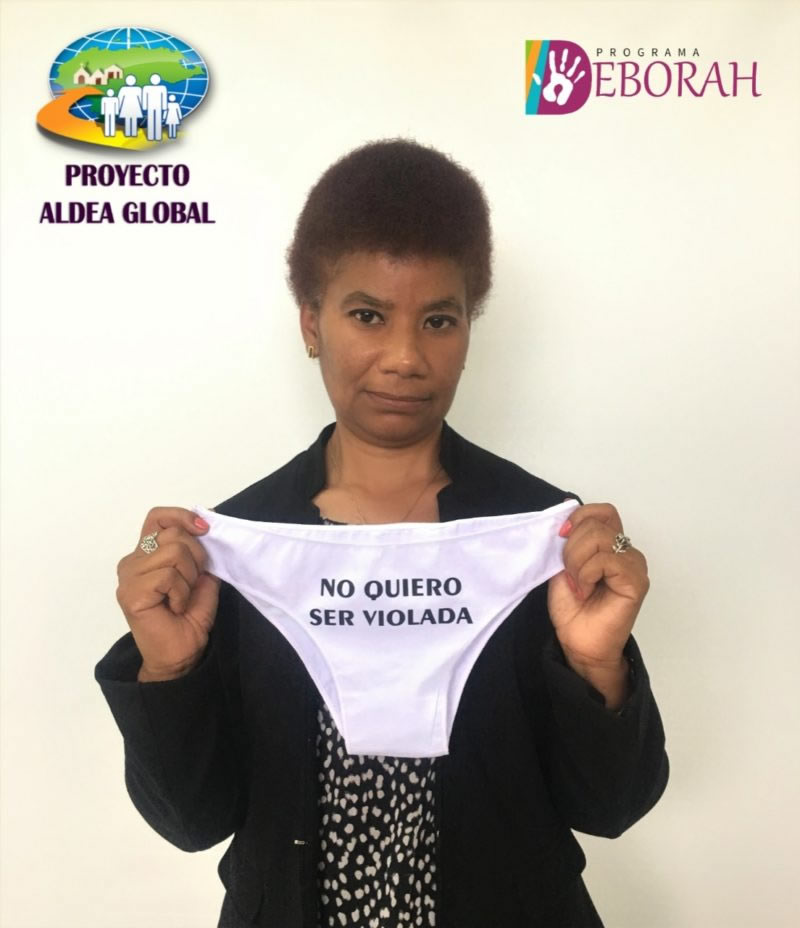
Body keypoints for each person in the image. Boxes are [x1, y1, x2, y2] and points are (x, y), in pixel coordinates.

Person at [95, 138, 669, 928]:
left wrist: (594, 662)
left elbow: (611, 807)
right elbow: (191, 821)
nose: (404, 357)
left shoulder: (540, 538)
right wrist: (171, 667)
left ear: (468, 329)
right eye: (368, 315)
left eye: (439, 320)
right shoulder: (238, 549)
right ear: (311, 323)